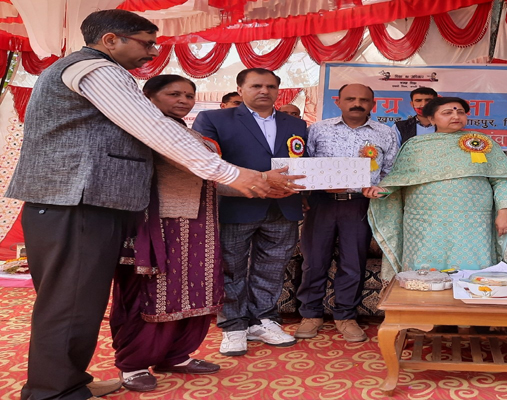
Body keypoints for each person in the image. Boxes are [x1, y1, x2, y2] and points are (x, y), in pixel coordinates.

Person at [4, 10, 299, 400]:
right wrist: (233, 174)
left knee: (81, 303)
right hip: (75, 200)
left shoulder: (98, 71)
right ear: (111, 39)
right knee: (70, 303)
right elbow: (155, 129)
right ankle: (52, 392)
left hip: (90, 202)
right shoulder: (96, 70)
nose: (153, 52)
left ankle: (67, 381)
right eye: (146, 43)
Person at [110, 75, 222, 392]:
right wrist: (256, 180)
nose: (183, 100)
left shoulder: (190, 133)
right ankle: (133, 365)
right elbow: (201, 167)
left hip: (198, 223)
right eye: (174, 94)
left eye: (189, 95)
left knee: (194, 290)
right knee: (150, 293)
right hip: (156, 224)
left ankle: (176, 355)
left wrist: (265, 186)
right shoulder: (144, 130)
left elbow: (214, 177)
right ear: (148, 96)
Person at [193, 68, 308, 356]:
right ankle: (233, 325)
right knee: (230, 268)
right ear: (240, 89)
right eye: (256, 86)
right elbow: (207, 163)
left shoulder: (296, 123)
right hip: (236, 204)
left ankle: (263, 320)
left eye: (271, 86)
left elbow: (303, 162)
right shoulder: (214, 119)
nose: (264, 91)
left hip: (283, 205)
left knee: (272, 267)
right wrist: (262, 181)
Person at [368, 97, 507, 278]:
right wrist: (382, 191)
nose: (455, 116)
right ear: (431, 119)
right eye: (447, 113)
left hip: (473, 221)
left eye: (460, 112)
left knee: (472, 270)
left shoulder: (482, 142)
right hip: (423, 222)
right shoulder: (416, 145)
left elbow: (501, 180)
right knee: (423, 274)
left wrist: (504, 212)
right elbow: (400, 179)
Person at [295, 84, 398, 342]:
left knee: (353, 262)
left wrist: (379, 189)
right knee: (314, 260)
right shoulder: (318, 129)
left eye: (363, 100)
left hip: (359, 204)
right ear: (338, 101)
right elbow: (303, 163)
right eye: (350, 98)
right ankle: (310, 314)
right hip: (321, 203)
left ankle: (345, 316)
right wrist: (309, 191)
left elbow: (390, 171)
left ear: (373, 104)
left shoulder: (385, 133)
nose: (357, 104)